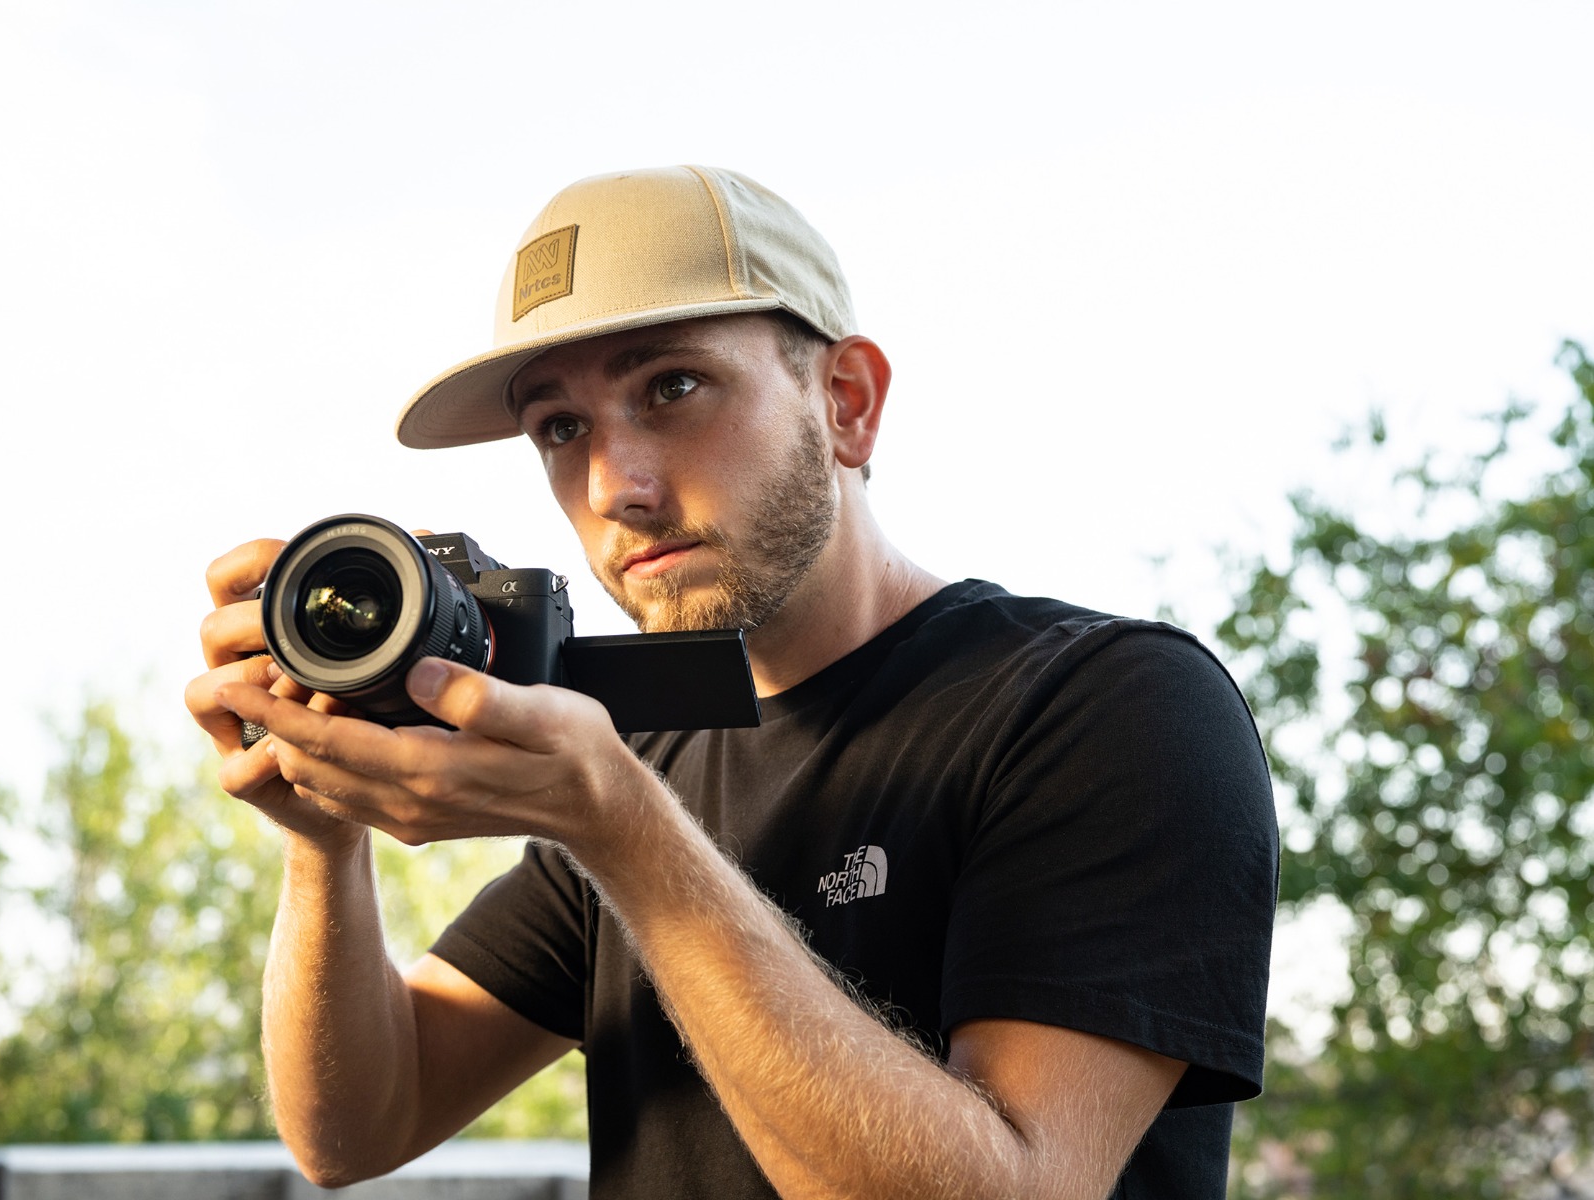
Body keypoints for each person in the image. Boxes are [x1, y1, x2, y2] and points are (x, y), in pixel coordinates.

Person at [186, 165, 1278, 1199]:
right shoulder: (642, 759)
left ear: (845, 402)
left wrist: (622, 831)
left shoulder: (1102, 706)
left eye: (673, 387)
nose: (614, 485)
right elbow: (357, 1127)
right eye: (559, 427)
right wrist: (321, 841)